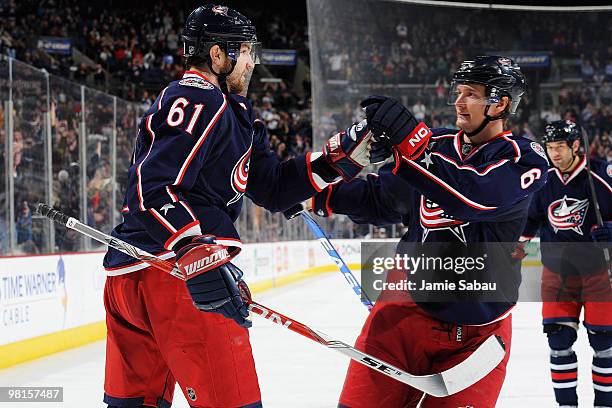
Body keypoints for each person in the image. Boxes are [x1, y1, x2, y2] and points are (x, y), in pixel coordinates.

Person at [101, 4, 375, 408]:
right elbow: (152, 188)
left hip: (140, 272)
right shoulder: (196, 97)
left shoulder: (233, 112)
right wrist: (195, 251)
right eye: (246, 51)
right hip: (177, 277)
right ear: (218, 55)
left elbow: (274, 187)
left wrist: (343, 156)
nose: (252, 62)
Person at [301, 56, 550, 407]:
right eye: (459, 92)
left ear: (501, 103)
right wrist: (314, 195)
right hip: (402, 315)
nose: (459, 102)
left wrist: (412, 148)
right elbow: (383, 198)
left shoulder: (525, 159)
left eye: (472, 94)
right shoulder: (437, 144)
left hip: (477, 336)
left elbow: (472, 197)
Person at [520, 120, 612, 408]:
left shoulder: (602, 175)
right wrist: (516, 245)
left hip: (599, 274)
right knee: (558, 343)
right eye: (550, 148)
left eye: (560, 147)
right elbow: (532, 219)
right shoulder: (543, 179)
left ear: (575, 145)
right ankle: (567, 406)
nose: (554, 153)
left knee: (604, 347)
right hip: (557, 275)